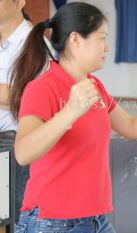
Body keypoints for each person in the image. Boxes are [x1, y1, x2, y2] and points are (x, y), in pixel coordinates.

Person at [9, 2, 137, 233]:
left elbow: (131, 126)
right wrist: (69, 113)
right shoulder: (42, 88)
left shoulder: (94, 86)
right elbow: (23, 153)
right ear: (75, 40)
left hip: (94, 220)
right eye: (102, 37)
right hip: (54, 222)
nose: (107, 47)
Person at [0, 0, 32, 224]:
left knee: (11, 218)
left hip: (11, 144)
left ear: (20, 2)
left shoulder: (33, 43)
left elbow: (28, 96)